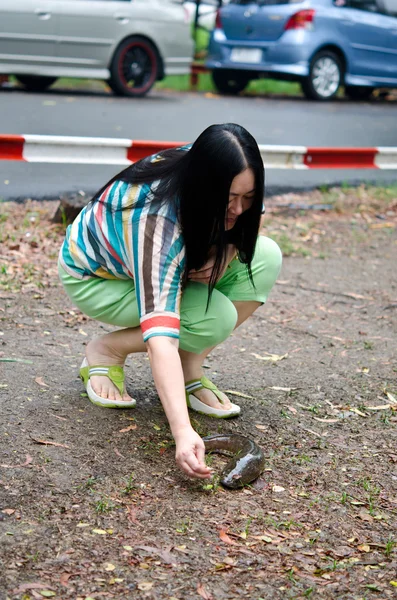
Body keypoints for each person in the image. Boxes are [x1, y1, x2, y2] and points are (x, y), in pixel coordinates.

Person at [58, 123, 282, 481]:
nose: (239, 209)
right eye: (229, 199)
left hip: (169, 255)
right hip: (101, 278)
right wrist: (183, 432)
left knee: (266, 255)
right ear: (206, 185)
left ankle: (190, 367)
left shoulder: (218, 168)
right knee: (212, 318)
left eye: (249, 197)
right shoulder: (154, 221)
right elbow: (161, 338)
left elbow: (244, 223)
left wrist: (227, 247)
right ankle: (106, 350)